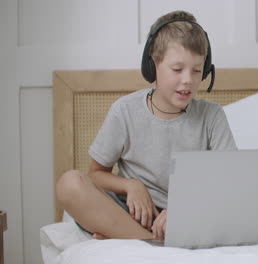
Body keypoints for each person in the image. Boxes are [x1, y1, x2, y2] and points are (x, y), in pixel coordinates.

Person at [56, 10, 237, 240]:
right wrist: (131, 185)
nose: (188, 80)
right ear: (153, 65)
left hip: (191, 216)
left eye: (197, 70)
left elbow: (229, 182)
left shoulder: (212, 117)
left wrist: (185, 210)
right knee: (69, 183)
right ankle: (148, 239)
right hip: (130, 213)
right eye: (177, 69)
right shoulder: (125, 110)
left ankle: (124, 236)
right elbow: (95, 175)